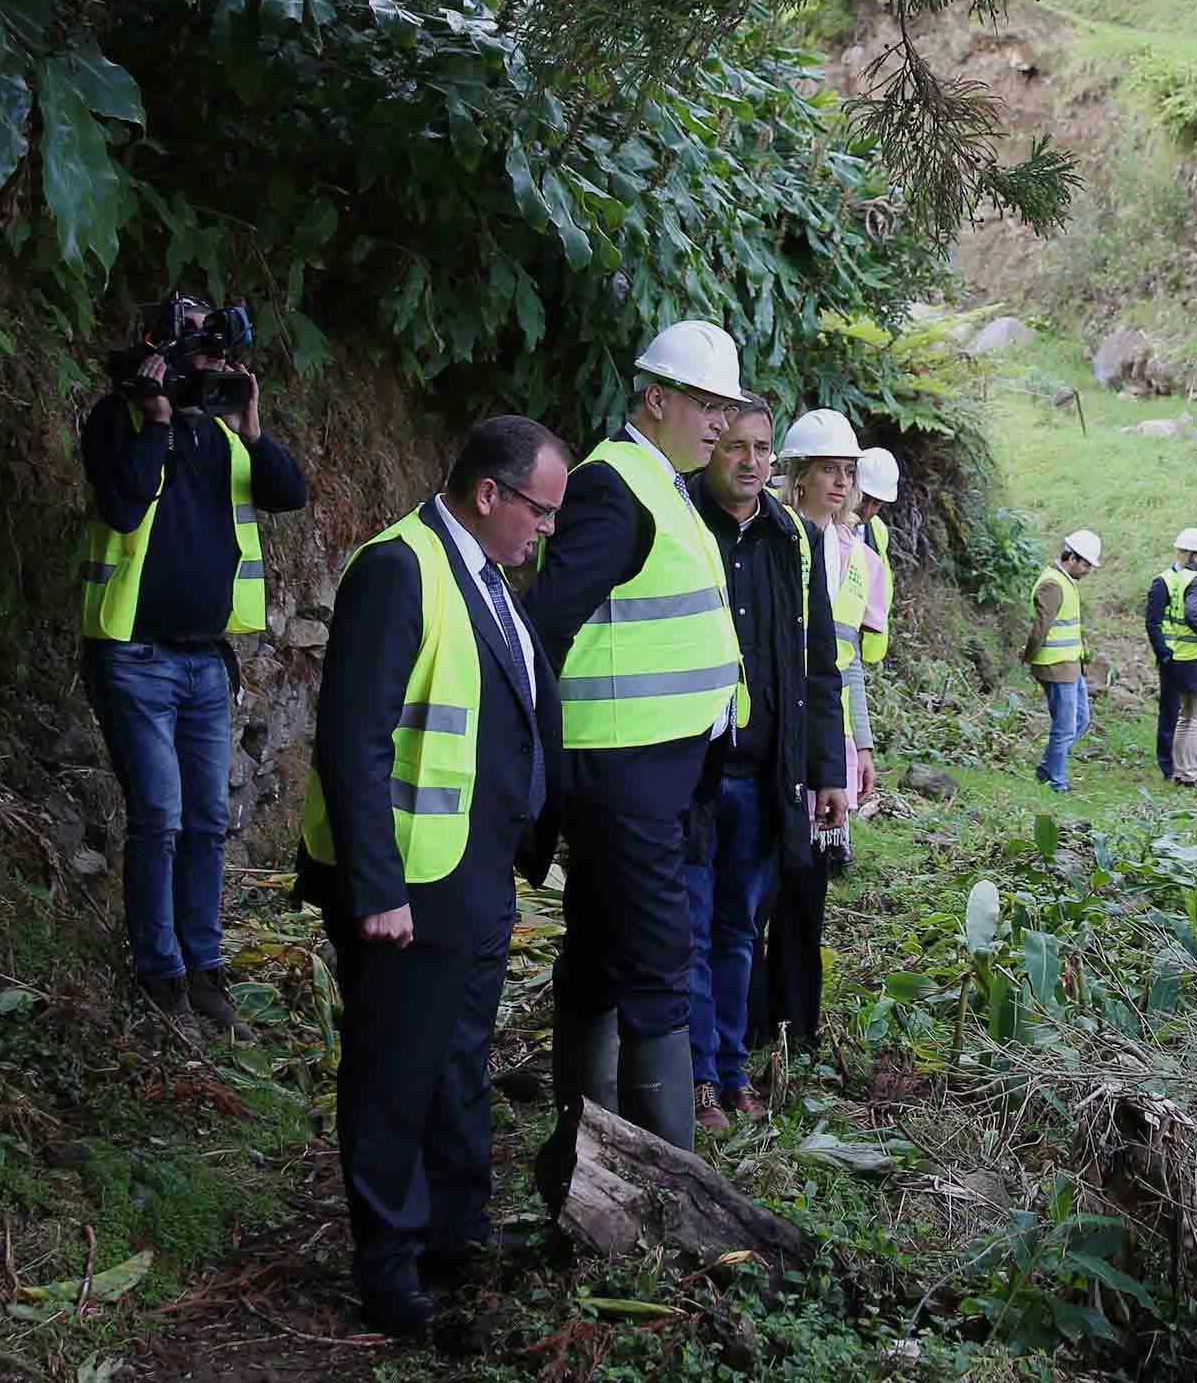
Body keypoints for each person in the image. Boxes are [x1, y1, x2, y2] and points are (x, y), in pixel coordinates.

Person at [297, 417, 566, 1339]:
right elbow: (353, 740)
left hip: (474, 871)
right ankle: (389, 1266)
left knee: (456, 1059)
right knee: (393, 1072)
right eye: (539, 510)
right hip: (409, 884)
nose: (547, 529)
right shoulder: (397, 568)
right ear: (488, 494)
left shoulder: (484, 573)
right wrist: (376, 888)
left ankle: (457, 1233)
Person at [526, 320, 753, 1184]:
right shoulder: (614, 487)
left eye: (726, 406)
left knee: (598, 945)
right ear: (655, 398)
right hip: (622, 767)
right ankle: (667, 1180)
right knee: (658, 958)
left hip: (657, 764)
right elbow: (545, 626)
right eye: (705, 404)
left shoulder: (663, 484)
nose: (719, 423)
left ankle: (590, 1153)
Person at [78, 294, 307, 1039]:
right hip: (133, 655)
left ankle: (205, 973)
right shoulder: (117, 420)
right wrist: (155, 422)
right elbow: (122, 506)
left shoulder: (221, 434)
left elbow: (288, 492)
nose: (215, 373)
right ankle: (161, 978)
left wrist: (252, 426)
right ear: (162, 358)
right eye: (203, 359)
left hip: (206, 659)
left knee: (208, 820)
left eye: (224, 362)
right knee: (160, 817)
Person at [685, 402, 845, 1132]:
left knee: (738, 930)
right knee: (688, 929)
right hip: (690, 771)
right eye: (734, 446)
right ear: (709, 449)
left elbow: (820, 664)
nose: (749, 461)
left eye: (761, 448)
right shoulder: (680, 524)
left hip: (763, 774)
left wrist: (827, 769)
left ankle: (730, 1067)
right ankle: (694, 1077)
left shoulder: (795, 540)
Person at [771, 410, 874, 1052]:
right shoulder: (775, 536)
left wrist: (861, 743)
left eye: (848, 472)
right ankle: (761, 1015)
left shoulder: (853, 554)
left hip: (827, 735)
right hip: (778, 732)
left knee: (811, 881)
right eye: (828, 470)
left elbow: (848, 657)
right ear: (799, 474)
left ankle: (797, 1021)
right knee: (768, 881)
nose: (840, 483)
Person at [1146, 528, 1197, 788]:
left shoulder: (1182, 578)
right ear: (1195, 556)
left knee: (1187, 717)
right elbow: (1194, 614)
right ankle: (1191, 773)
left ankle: (1181, 771)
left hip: (1186, 658)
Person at [1027, 531, 1101, 793]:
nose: (1088, 570)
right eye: (1086, 564)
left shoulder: (1065, 581)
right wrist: (1029, 657)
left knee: (1081, 720)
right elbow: (1040, 627)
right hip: (1055, 664)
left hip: (1070, 663)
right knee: (1065, 727)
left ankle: (1047, 768)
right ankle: (1057, 782)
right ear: (1071, 558)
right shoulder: (1052, 584)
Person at [854, 447, 899, 668]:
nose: (868, 510)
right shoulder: (824, 521)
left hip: (856, 642)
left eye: (877, 503)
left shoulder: (878, 530)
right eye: (864, 499)